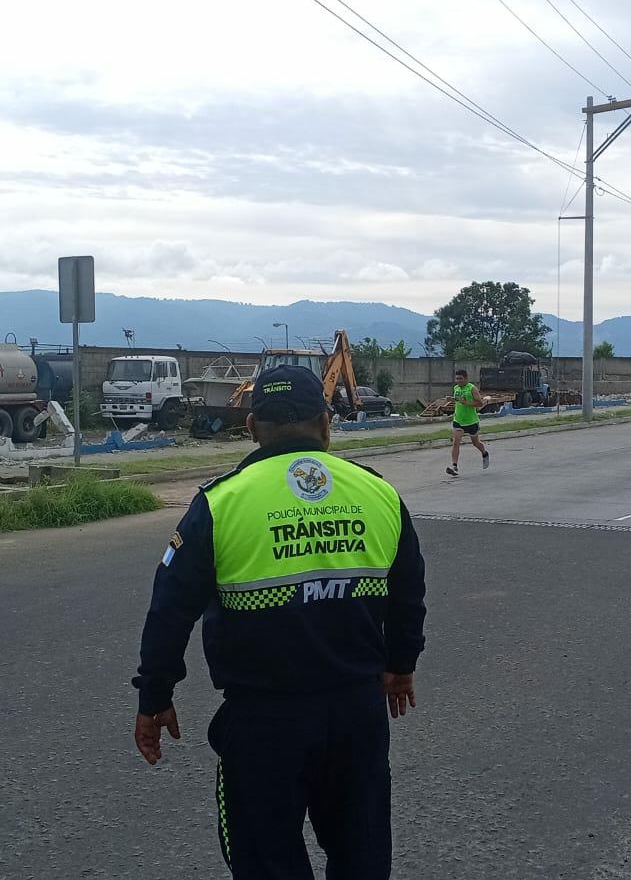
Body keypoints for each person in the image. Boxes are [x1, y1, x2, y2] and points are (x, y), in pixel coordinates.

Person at [132, 365, 427, 880]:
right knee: (362, 857)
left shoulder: (221, 504)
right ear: (326, 421)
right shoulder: (378, 493)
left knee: (267, 861)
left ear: (251, 427)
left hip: (264, 723)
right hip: (357, 715)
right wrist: (401, 665)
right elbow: (408, 592)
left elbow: (169, 609)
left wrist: (155, 696)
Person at [447, 369, 489, 476]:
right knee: (456, 443)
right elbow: (458, 401)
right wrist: (451, 399)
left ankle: (484, 453)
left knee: (476, 443)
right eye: (457, 379)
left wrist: (466, 402)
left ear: (466, 379)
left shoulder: (472, 388)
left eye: (461, 378)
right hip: (458, 420)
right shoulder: (456, 388)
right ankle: (454, 466)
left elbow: (479, 403)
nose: (459, 381)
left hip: (471, 421)